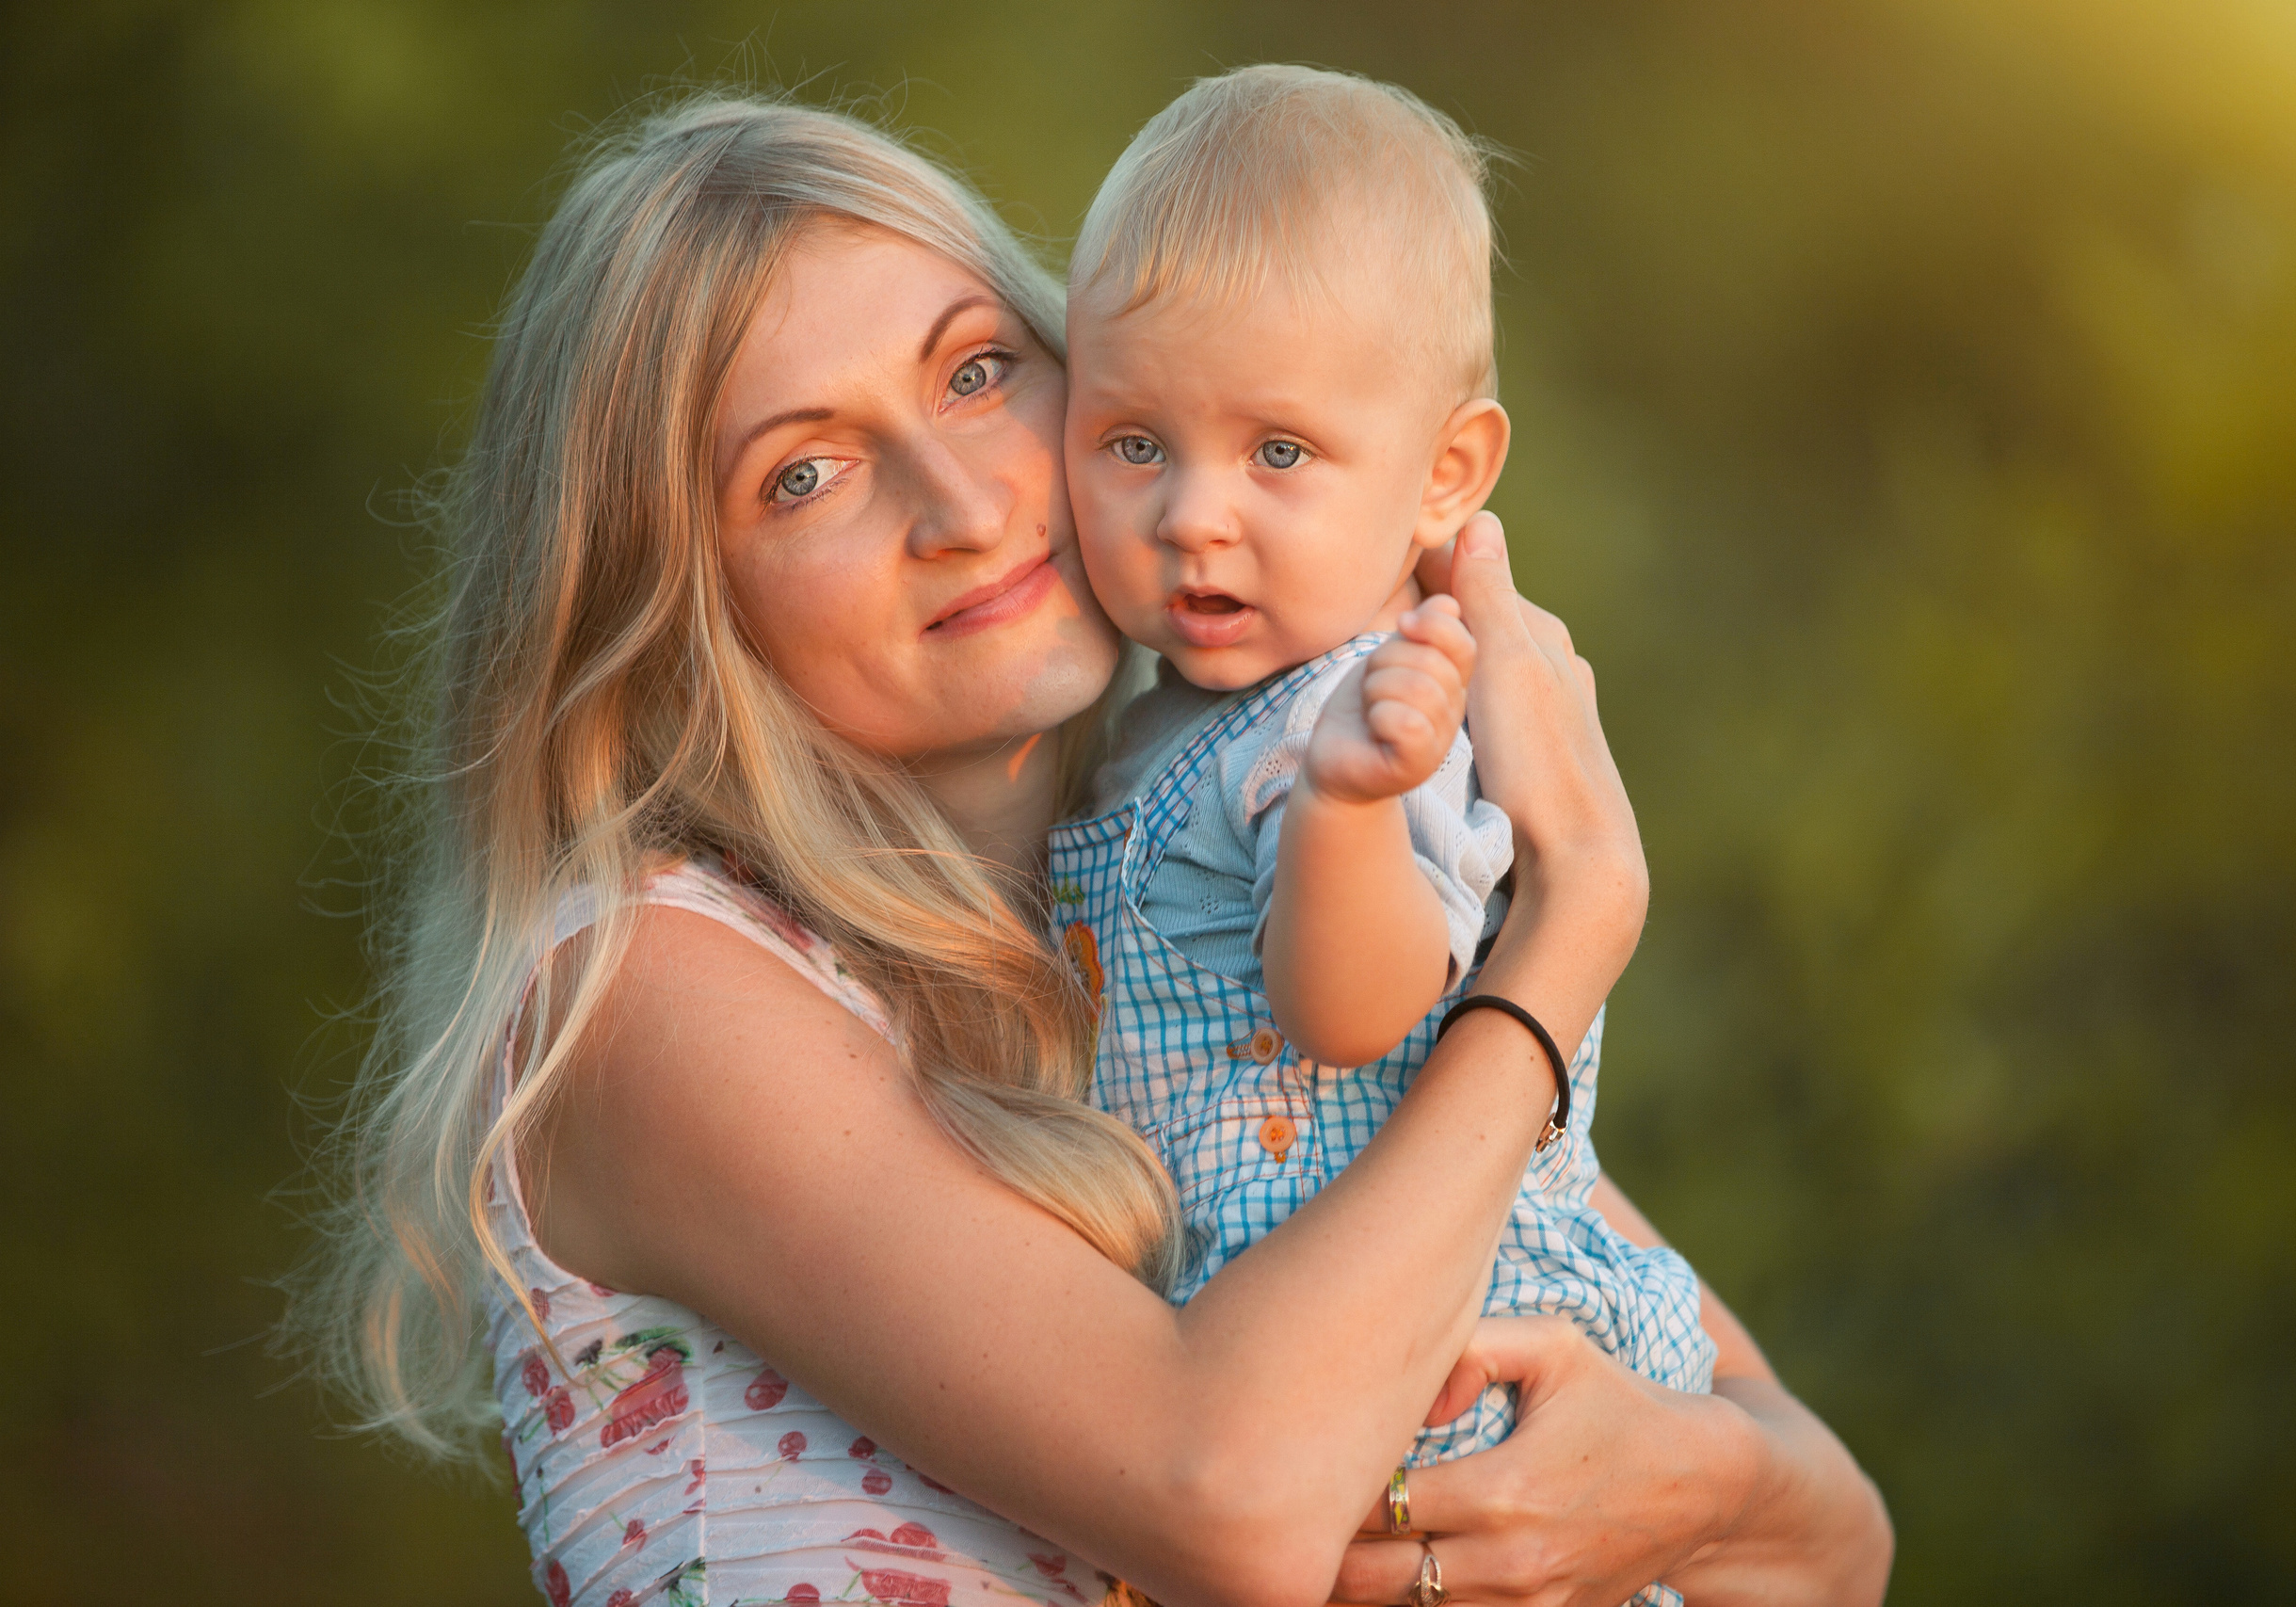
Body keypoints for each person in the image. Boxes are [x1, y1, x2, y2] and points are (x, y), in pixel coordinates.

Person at [285, 91, 1892, 1607]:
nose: (961, 503)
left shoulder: (1179, 906)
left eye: (978, 371)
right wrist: (1573, 924)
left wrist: (1682, 1486)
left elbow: (1839, 1537)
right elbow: (1235, 1497)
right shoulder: (646, 981)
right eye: (806, 474)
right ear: (677, 608)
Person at [1052, 75, 1715, 1578]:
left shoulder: (1364, 716)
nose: (1194, 515)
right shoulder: (1167, 721)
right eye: (1135, 441)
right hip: (1286, 1359)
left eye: (1278, 453)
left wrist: (1348, 807)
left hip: (1442, 1381)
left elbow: (1357, 1008)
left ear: (1444, 477)